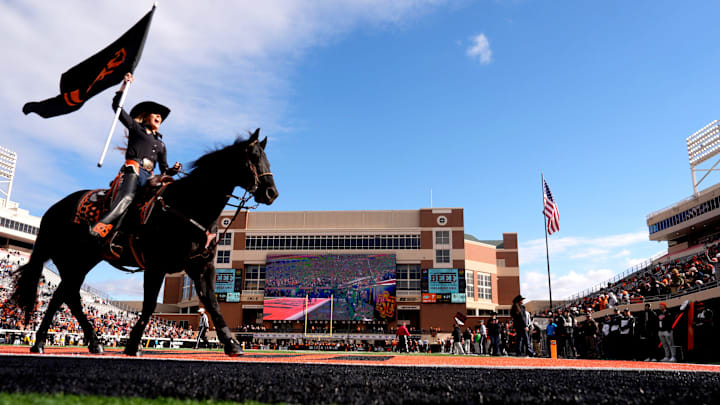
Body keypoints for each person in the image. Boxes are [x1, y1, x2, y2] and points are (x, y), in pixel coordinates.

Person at [90, 73, 182, 250]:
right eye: (156, 114)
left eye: (161, 117)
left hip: (150, 177)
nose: (159, 118)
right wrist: (124, 85)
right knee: (127, 197)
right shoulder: (136, 128)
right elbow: (117, 107)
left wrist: (173, 170)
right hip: (133, 170)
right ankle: (101, 228)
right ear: (146, 116)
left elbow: (165, 170)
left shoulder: (161, 144)